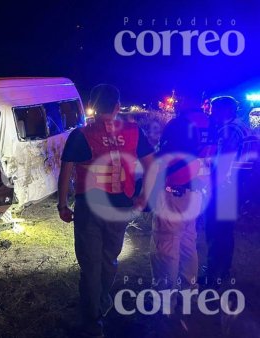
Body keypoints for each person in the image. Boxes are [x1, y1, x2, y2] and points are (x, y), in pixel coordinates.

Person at [57, 84, 155, 338]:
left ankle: (92, 323)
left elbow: (66, 170)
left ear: (93, 105)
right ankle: (100, 302)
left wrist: (62, 204)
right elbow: (151, 164)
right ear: (117, 107)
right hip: (121, 207)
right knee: (109, 259)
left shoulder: (81, 134)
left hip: (90, 207)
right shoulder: (134, 132)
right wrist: (143, 197)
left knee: (90, 265)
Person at [148, 106, 215, 315]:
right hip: (193, 203)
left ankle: (165, 299)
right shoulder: (197, 158)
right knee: (188, 246)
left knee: (166, 248)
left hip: (171, 200)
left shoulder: (166, 158)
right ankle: (189, 291)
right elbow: (205, 182)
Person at [205, 96, 251, 285]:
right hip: (237, 186)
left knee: (216, 230)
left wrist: (209, 187)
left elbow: (223, 162)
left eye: (214, 111)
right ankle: (222, 270)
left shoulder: (229, 130)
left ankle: (214, 273)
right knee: (225, 230)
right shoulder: (243, 127)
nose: (211, 114)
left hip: (225, 187)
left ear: (226, 111)